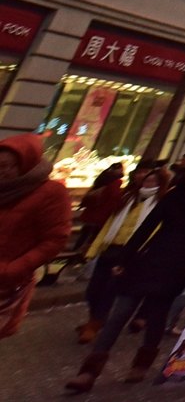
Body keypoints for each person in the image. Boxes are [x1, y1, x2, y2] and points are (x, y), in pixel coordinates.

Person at [66, 155, 185, 391]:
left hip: (179, 265)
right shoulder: (175, 195)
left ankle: (141, 365)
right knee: (119, 314)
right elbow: (148, 226)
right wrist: (126, 256)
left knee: (157, 317)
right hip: (149, 259)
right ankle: (89, 372)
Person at [0, 131, 72, 339]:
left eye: (6, 166)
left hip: (7, 281)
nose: (1, 171)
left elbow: (55, 240)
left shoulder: (51, 192)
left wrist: (11, 269)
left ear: (25, 164)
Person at [78, 165, 163, 342]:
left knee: (109, 290)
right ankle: (95, 320)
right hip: (110, 247)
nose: (148, 181)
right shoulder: (129, 198)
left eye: (153, 180)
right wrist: (95, 248)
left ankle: (95, 324)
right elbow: (110, 223)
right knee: (93, 290)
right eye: (147, 178)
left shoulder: (159, 204)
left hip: (130, 253)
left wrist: (139, 255)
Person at [74, 165, 127, 263]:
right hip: (101, 216)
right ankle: (83, 257)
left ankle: (75, 254)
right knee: (93, 238)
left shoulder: (102, 178)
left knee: (84, 235)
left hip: (90, 214)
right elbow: (114, 199)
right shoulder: (116, 183)